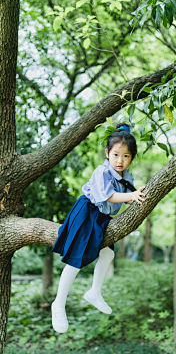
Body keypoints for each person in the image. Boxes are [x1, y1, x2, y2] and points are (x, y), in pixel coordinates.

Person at [51, 123, 146, 333]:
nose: (120, 160)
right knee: (77, 260)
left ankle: (95, 291)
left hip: (102, 217)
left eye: (127, 156)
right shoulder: (102, 172)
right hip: (88, 212)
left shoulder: (127, 177)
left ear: (133, 157)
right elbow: (108, 195)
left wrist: (134, 196)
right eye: (116, 155)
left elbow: (123, 197)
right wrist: (130, 196)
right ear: (107, 153)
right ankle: (58, 303)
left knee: (107, 255)